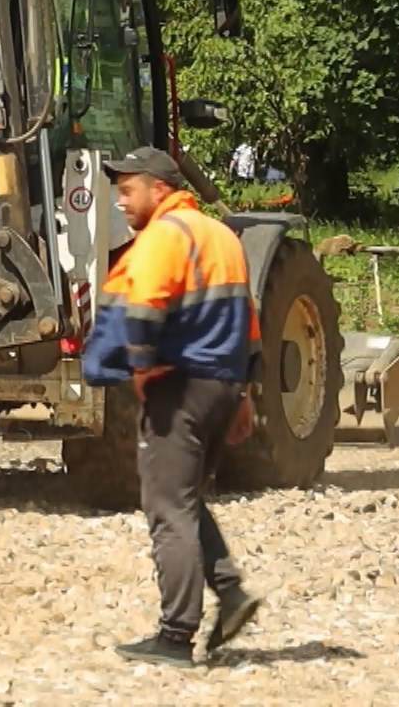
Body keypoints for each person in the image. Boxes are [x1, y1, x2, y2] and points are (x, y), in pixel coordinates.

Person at [81, 146, 263, 667]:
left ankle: (174, 635)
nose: (120, 200)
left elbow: (145, 304)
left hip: (178, 387)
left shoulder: (167, 234)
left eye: (128, 189)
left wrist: (138, 364)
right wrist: (243, 393)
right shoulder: (221, 236)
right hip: (221, 387)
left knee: (166, 509)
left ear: (159, 188)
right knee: (183, 498)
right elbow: (249, 325)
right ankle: (229, 593)